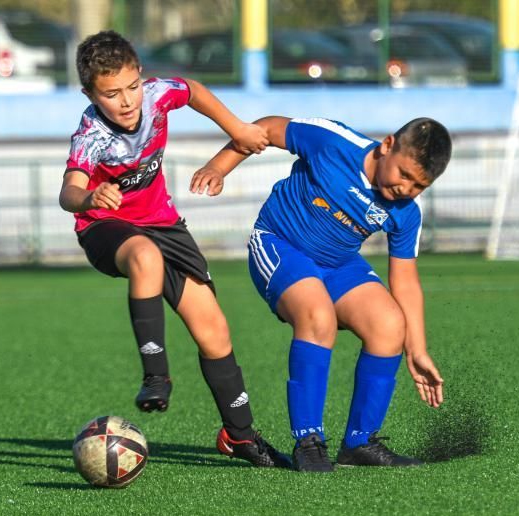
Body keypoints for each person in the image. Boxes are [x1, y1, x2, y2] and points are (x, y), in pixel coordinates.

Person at [59, 30, 289, 468]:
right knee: (144, 256)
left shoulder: (157, 94)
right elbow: (68, 192)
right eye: (111, 94)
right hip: (106, 228)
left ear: (141, 77)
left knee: (214, 331)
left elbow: (194, 91)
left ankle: (240, 437)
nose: (127, 102)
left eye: (131, 87)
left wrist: (237, 129)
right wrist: (89, 197)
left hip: (163, 224)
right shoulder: (90, 135)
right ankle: (155, 377)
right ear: (89, 93)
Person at [190, 116, 451, 472]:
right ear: (388, 145)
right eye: (404, 175)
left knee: (390, 325)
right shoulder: (333, 142)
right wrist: (218, 167)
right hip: (280, 244)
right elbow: (264, 130)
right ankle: (309, 441)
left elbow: (404, 280)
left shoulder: (406, 213)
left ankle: (360, 443)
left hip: (339, 264)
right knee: (318, 316)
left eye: (419, 185)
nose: (407, 189)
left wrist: (417, 349)